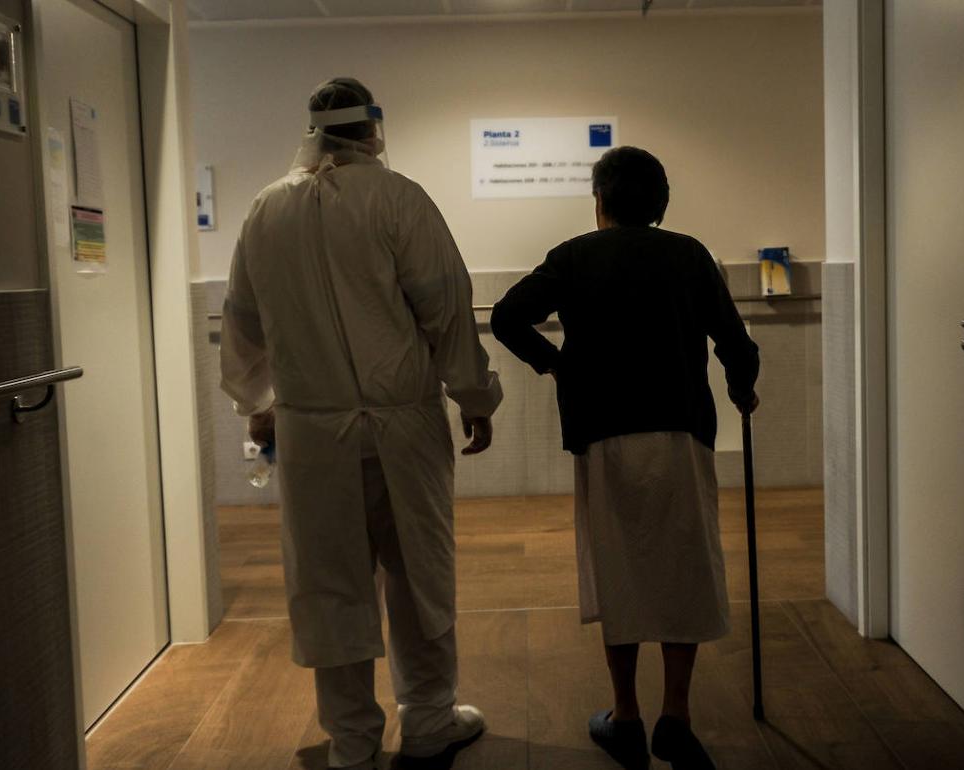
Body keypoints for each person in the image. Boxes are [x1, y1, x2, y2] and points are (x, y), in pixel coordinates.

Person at [220, 77, 503, 770]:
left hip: (313, 432)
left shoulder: (265, 210)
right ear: (373, 129)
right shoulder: (399, 198)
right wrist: (475, 397)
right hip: (403, 427)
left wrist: (256, 404)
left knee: (329, 584)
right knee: (419, 575)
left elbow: (243, 324)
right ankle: (430, 720)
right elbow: (446, 307)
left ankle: (351, 741)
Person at [491, 146, 759, 770]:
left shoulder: (575, 255)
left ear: (601, 201)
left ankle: (626, 717)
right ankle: (677, 717)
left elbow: (507, 317)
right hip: (681, 429)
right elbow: (733, 340)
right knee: (686, 567)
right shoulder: (689, 255)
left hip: (604, 432)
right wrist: (743, 386)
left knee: (618, 568)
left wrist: (556, 364)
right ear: (662, 203)